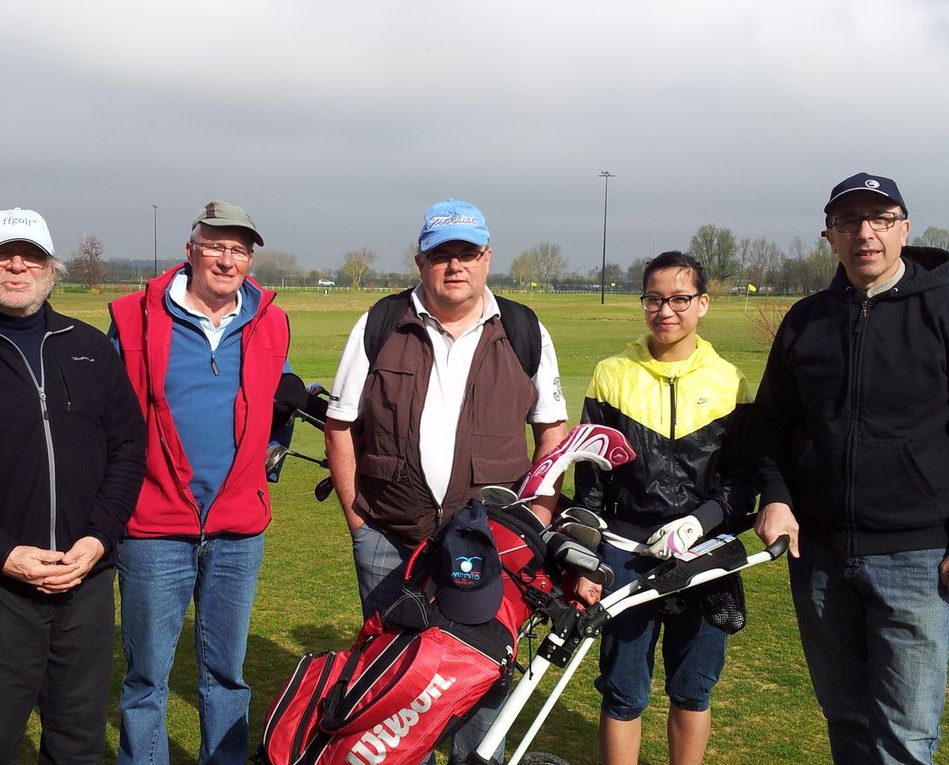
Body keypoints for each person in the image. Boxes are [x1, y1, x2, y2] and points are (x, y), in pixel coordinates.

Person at [324, 199, 568, 764]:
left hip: (490, 549)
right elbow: (341, 426)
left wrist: (537, 522)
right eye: (441, 255)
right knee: (394, 682)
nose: (454, 266)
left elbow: (552, 433)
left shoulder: (525, 330)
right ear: (419, 261)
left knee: (480, 682)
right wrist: (359, 521)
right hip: (390, 538)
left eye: (467, 253)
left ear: (487, 258)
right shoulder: (381, 323)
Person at [0, 208, 147, 764]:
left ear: (52, 268)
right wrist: (2, 554)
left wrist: (99, 538)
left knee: (77, 745)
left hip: (86, 585)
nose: (17, 265)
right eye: (3, 254)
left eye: (32, 255)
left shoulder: (90, 347)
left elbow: (126, 451)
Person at [754, 172, 949, 765]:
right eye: (848, 223)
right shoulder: (806, 320)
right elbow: (771, 426)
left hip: (916, 556)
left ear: (904, 228)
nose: (865, 233)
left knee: (906, 735)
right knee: (846, 719)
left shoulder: (942, 308)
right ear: (829, 237)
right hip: (820, 556)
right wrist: (776, 496)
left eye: (880, 220)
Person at [108, 201, 290, 765]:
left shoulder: (271, 319)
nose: (226, 259)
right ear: (190, 250)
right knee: (146, 677)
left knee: (227, 675)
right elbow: (106, 414)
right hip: (153, 524)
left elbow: (274, 396)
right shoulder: (135, 315)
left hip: (238, 528)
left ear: (250, 258)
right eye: (215, 245)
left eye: (239, 249)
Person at [573, 251, 755, 765]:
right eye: (654, 299)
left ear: (703, 304)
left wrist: (701, 522)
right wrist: (586, 559)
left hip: (704, 558)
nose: (665, 310)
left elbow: (743, 485)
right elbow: (589, 482)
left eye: (679, 299)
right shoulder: (610, 375)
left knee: (693, 690)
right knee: (623, 692)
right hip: (625, 555)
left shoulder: (730, 381)